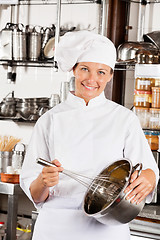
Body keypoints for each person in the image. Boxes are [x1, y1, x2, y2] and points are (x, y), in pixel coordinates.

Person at [20, 30, 159, 240]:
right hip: (57, 229)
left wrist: (149, 177)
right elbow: (35, 193)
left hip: (108, 229)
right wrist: (43, 181)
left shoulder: (124, 119)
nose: (92, 79)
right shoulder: (49, 120)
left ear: (111, 75)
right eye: (85, 69)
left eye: (101, 72)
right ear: (74, 70)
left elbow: (149, 172)